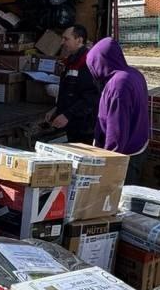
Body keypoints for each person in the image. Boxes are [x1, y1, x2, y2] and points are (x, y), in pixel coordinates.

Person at [86, 38, 150, 179]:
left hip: (124, 155)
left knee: (118, 198)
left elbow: (117, 130)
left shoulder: (118, 85)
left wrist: (109, 163)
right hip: (138, 144)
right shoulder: (134, 74)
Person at [47, 24, 99, 144]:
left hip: (85, 127)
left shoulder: (86, 63)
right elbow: (69, 91)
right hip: (74, 125)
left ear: (79, 40)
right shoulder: (71, 61)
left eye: (66, 39)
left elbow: (90, 97)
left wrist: (67, 115)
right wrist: (56, 109)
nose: (62, 42)